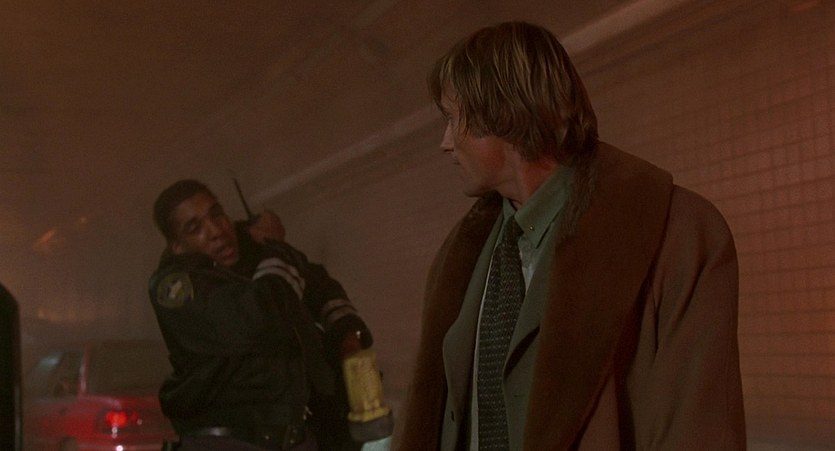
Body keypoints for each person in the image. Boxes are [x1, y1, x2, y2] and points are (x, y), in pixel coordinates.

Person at [398, 22, 745, 450]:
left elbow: (698, 425)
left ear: (501, 113)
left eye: (452, 119)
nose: (445, 143)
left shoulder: (678, 233)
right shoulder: (462, 255)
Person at [149, 179, 371, 451]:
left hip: (296, 437)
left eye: (216, 214)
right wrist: (276, 247)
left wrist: (347, 337)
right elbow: (264, 317)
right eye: (195, 228)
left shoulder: (256, 260)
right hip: (225, 443)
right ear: (178, 246)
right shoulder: (177, 288)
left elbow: (316, 283)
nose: (216, 231)